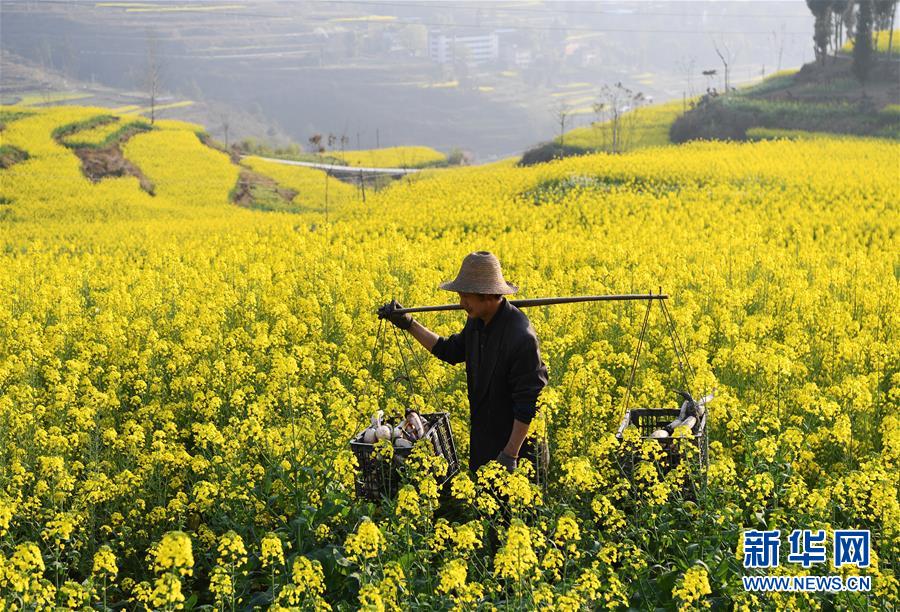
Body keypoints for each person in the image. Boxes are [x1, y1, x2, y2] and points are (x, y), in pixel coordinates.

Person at [378, 251, 549, 474]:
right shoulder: (478, 321)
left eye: (466, 296)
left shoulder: (521, 338)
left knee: (513, 509)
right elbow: (449, 350)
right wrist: (409, 323)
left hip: (517, 451)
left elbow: (528, 406)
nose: (461, 304)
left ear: (487, 295)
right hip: (486, 438)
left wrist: (510, 454)